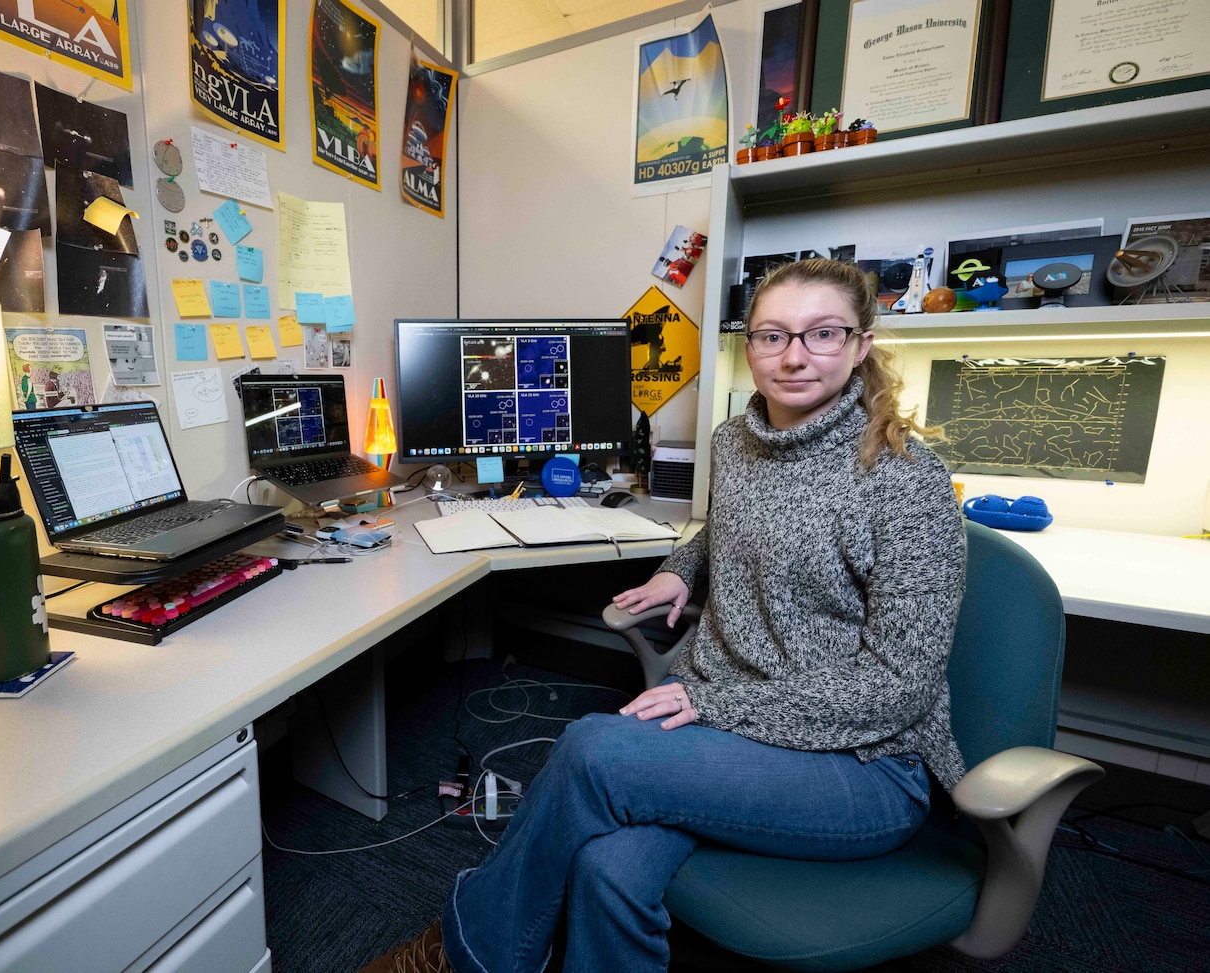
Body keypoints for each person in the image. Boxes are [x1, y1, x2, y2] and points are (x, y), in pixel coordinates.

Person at [360, 258, 967, 973]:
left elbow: (900, 686)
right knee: (607, 869)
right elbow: (725, 529)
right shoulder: (735, 442)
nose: (795, 355)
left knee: (592, 749)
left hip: (858, 763)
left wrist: (711, 700)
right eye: (773, 336)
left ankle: (467, 954)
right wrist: (681, 571)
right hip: (726, 726)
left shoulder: (906, 480)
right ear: (751, 345)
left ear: (860, 346)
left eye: (823, 333)